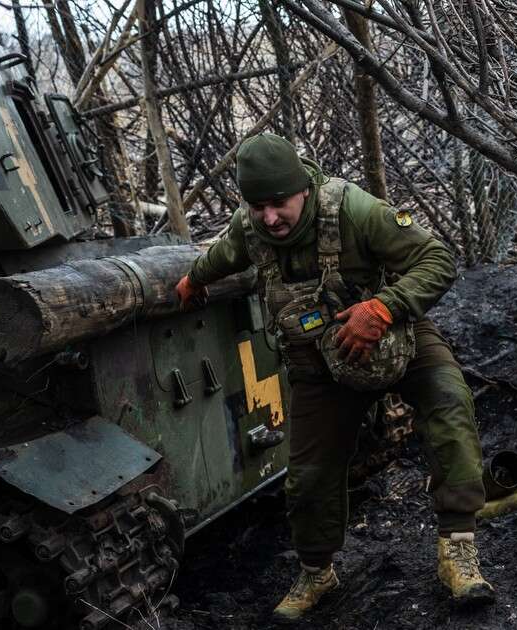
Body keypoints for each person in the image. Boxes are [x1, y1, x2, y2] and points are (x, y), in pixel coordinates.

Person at [175, 134, 494, 622]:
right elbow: (225, 255)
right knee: (307, 477)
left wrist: (385, 307)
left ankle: (458, 551)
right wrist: (195, 278)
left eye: (278, 203)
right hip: (318, 362)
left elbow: (437, 260)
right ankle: (317, 571)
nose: (269, 218)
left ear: (302, 188)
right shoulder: (252, 228)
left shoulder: (354, 210)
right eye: (257, 206)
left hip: (398, 337)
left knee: (450, 406)